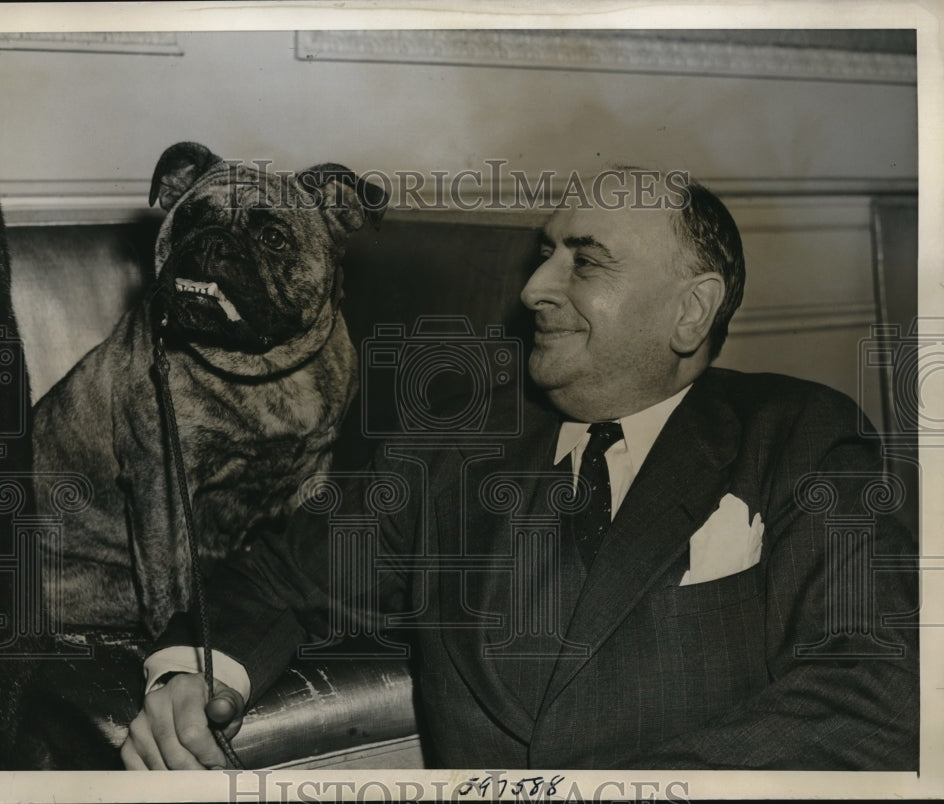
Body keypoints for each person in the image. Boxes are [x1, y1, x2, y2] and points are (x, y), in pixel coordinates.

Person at [121, 170, 919, 770]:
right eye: (544, 255)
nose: (535, 288)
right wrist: (188, 678)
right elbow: (275, 578)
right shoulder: (456, 444)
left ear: (691, 311)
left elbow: (870, 696)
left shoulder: (800, 437)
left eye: (585, 262)